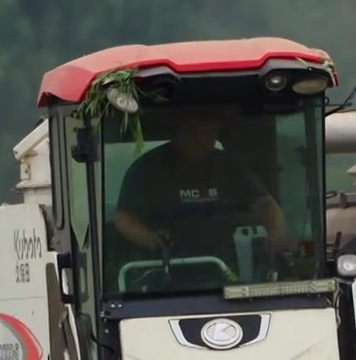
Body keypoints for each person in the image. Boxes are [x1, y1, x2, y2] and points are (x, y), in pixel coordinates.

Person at [113, 107, 291, 261]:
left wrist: (277, 234)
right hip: (160, 267)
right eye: (194, 133)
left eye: (211, 133)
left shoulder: (230, 168)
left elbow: (266, 205)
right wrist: (149, 239)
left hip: (222, 266)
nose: (203, 142)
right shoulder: (148, 169)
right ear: (176, 134)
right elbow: (123, 218)